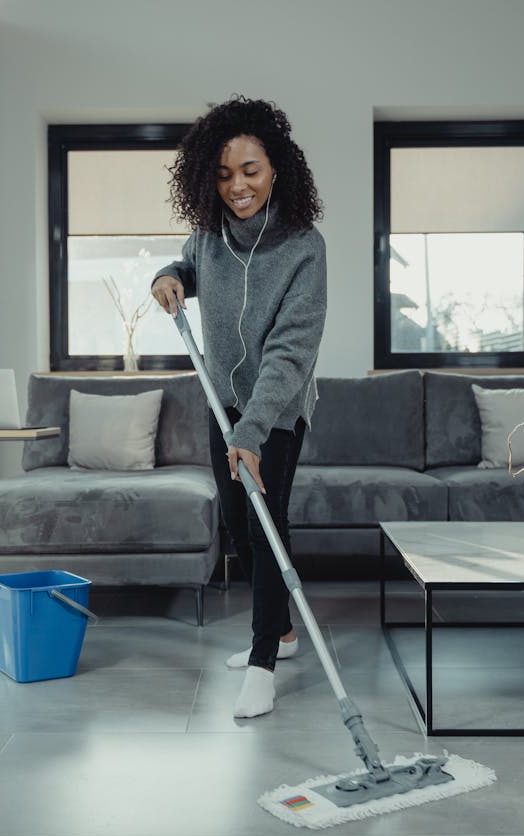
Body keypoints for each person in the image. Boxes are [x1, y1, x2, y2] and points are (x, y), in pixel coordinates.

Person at [151, 96, 326, 718]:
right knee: (234, 518)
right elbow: (188, 267)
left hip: (275, 408)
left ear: (276, 168)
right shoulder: (209, 235)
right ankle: (280, 628)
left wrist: (253, 430)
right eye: (224, 175)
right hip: (223, 403)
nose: (238, 186)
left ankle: (262, 663)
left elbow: (290, 351)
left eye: (250, 170)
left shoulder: (303, 246)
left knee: (264, 518)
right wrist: (169, 277)